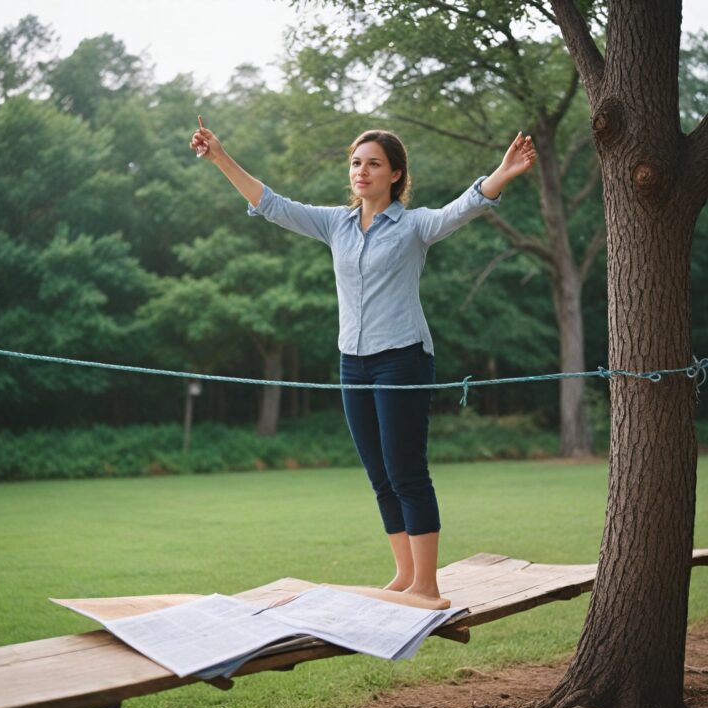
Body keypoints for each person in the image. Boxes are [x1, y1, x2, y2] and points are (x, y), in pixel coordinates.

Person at [190, 117, 537, 608]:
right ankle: (404, 573)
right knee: (379, 474)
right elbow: (271, 205)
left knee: (407, 472)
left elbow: (466, 206)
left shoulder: (414, 226)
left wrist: (502, 172)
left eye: (374, 163)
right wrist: (220, 157)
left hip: (403, 360)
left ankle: (427, 585)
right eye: (356, 162)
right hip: (353, 364)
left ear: (395, 174)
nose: (362, 171)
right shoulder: (337, 224)